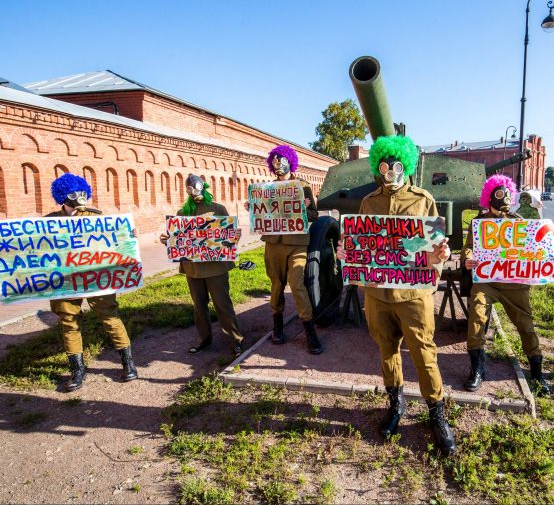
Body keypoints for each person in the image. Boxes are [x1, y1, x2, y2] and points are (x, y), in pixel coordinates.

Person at [336, 135, 456, 456]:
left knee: (423, 353)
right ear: (379, 166)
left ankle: (436, 413)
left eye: (397, 164)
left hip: (414, 293)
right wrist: (346, 251)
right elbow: (359, 243)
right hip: (377, 292)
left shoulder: (423, 199)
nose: (391, 171)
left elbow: (434, 247)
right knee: (387, 349)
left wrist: (440, 254)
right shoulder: (368, 203)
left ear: (407, 166)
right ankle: (396, 405)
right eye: (385, 165)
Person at [461, 175, 553, 396]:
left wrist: (550, 259)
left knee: (526, 326)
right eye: (499, 195)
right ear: (490, 197)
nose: (504, 199)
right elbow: (468, 247)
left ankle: (537, 372)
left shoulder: (519, 222)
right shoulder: (479, 223)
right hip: (487, 281)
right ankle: (477, 369)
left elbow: (536, 249)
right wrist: (468, 258)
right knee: (476, 317)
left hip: (514, 283)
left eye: (507, 195)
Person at [47, 173, 138, 392]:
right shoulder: (49, 222)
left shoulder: (98, 218)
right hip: (67, 280)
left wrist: (129, 237)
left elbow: (115, 242)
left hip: (97, 277)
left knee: (110, 317)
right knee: (69, 322)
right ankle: (77, 370)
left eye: (81, 192)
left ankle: (128, 363)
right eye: (72, 193)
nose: (79, 197)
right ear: (63, 196)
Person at [246, 145, 323, 354]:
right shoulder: (267, 188)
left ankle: (310, 331)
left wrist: (306, 207)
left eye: (282, 161)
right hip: (273, 243)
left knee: (297, 285)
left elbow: (314, 216)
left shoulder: (302, 186)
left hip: (297, 243)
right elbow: (263, 214)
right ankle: (277, 326)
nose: (278, 165)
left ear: (290, 161)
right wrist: (253, 207)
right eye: (275, 162)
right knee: (276, 286)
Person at [160, 174, 245, 357]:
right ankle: (203, 339)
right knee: (199, 307)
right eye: (189, 187)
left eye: (195, 186)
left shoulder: (218, 208)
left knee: (222, 304)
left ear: (202, 187)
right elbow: (178, 240)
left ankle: (235, 340)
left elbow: (229, 238)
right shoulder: (183, 213)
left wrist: (235, 236)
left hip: (216, 268)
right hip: (193, 268)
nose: (193, 190)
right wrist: (167, 241)